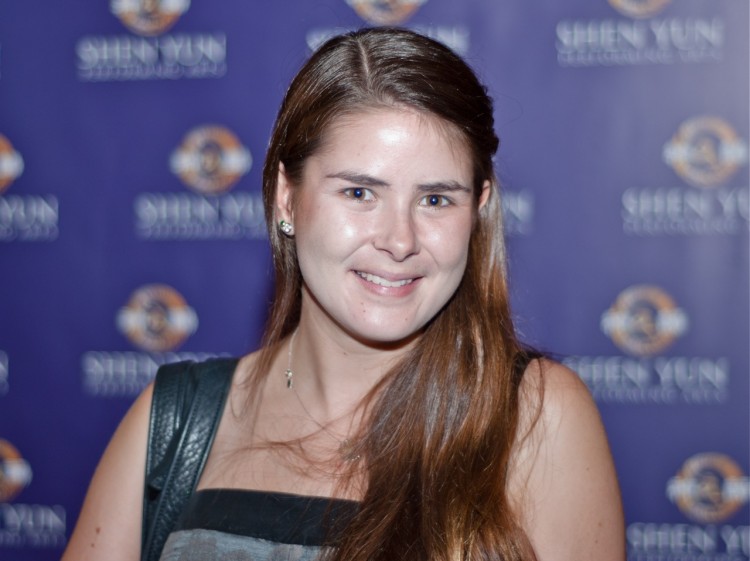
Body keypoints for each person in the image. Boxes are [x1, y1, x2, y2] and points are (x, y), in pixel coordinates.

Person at [63, 27, 625, 561]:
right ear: (288, 199)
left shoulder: (535, 418)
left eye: (435, 200)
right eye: (359, 192)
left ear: (477, 211)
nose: (399, 240)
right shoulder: (177, 421)